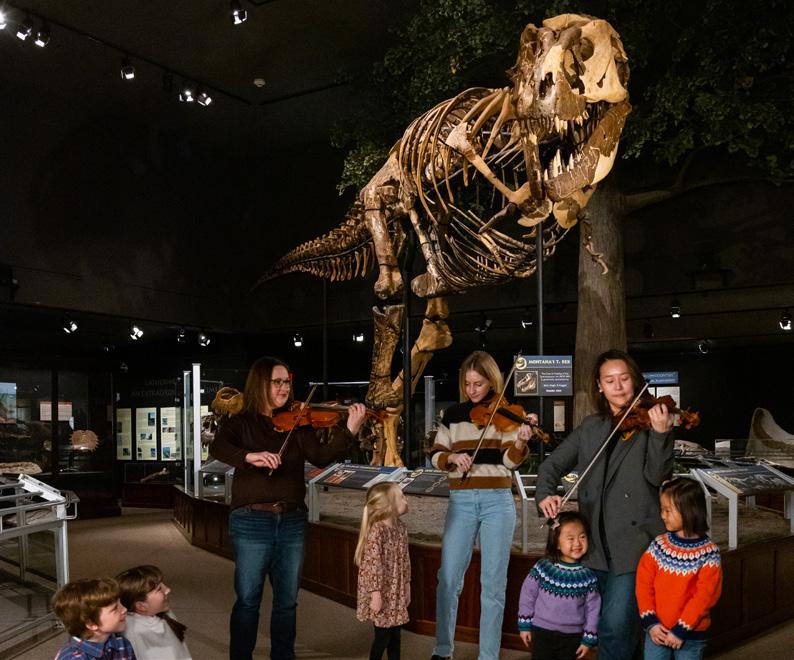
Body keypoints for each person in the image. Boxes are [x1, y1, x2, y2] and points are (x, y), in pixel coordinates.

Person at [210, 356, 366, 660]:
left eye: (287, 382)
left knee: (287, 602)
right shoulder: (240, 421)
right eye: (277, 382)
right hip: (251, 520)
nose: (285, 388)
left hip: (292, 521)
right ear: (260, 384)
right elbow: (218, 446)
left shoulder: (298, 421)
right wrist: (250, 457)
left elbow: (321, 457)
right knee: (248, 600)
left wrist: (349, 429)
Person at [536, 349, 674, 660]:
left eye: (624, 379)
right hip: (593, 546)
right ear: (599, 386)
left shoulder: (651, 424)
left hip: (634, 545)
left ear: (634, 380)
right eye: (610, 381)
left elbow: (658, 476)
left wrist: (660, 435)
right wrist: (545, 493)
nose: (618, 386)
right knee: (601, 625)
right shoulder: (591, 427)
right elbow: (551, 465)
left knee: (614, 627)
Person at [429, 350, 535, 660]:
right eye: (468, 383)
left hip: (496, 502)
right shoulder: (452, 414)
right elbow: (435, 454)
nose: (472, 390)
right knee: (448, 579)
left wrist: (520, 441)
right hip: (461, 501)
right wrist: (451, 457)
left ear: (492, 382)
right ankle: (442, 650)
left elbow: (510, 462)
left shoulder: (507, 414)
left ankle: (488, 656)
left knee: (493, 585)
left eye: (479, 384)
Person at [636, 478, 722, 660]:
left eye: (668, 510)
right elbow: (643, 584)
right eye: (662, 509)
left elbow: (704, 597)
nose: (663, 515)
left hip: (691, 635)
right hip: (657, 631)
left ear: (689, 511)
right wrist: (650, 622)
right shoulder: (658, 546)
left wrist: (681, 629)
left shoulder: (709, 553)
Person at [517, 511, 600, 659]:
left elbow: (593, 609)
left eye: (582, 537)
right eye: (570, 538)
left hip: (572, 636)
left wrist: (589, 636)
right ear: (556, 543)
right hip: (541, 631)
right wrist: (524, 623)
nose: (577, 543)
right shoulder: (543, 567)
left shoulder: (588, 575)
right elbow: (527, 595)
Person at [355, 481, 411, 660]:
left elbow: (405, 559)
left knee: (396, 635)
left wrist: (407, 585)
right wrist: (376, 594)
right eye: (401, 497)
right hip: (381, 592)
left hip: (395, 592)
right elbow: (373, 565)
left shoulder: (401, 528)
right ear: (388, 505)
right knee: (382, 638)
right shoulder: (377, 531)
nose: (406, 500)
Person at [116, 565, 191, 659]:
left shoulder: (166, 614)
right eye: (159, 589)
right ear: (141, 606)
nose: (168, 590)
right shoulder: (133, 632)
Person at [52, 577, 136, 660]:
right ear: (91, 624)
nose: (125, 609)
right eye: (115, 608)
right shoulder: (74, 658)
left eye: (120, 603)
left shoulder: (121, 642)